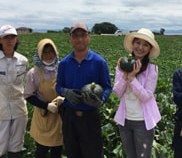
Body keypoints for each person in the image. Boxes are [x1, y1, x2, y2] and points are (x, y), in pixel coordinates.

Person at [55, 22, 112, 158]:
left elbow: (107, 87)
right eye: (75, 36)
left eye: (83, 35)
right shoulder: (64, 63)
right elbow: (58, 86)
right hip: (70, 117)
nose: (79, 39)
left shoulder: (99, 62)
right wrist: (65, 92)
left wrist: (101, 100)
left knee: (93, 153)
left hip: (90, 117)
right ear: (70, 38)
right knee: (72, 153)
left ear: (88, 37)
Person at [113, 28, 161, 158]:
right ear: (132, 44)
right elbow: (117, 93)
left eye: (145, 45)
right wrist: (124, 75)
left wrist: (132, 79)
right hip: (125, 121)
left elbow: (146, 97)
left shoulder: (152, 69)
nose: (140, 47)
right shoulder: (122, 65)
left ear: (150, 48)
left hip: (143, 122)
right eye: (137, 43)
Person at [0, 25, 28, 158]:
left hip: (19, 110)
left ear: (16, 39)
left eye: (12, 37)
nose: (9, 40)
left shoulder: (23, 60)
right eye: (5, 37)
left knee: (16, 144)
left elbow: (22, 84)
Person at [24, 38, 64, 158]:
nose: (48, 55)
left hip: (60, 116)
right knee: (41, 151)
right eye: (44, 52)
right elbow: (28, 95)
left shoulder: (61, 68)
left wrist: (63, 97)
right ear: (39, 54)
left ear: (55, 52)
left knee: (57, 150)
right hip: (44, 116)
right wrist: (46, 105)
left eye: (51, 51)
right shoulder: (34, 73)